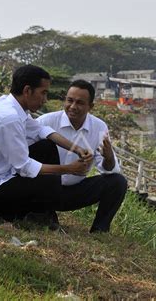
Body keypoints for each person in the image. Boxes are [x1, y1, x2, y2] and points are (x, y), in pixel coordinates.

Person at [0, 65, 93, 226]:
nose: (45, 99)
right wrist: (70, 169)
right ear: (27, 90)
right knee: (48, 181)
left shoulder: (9, 104)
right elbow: (24, 166)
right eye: (43, 93)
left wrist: (76, 148)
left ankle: (38, 212)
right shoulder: (9, 118)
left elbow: (41, 130)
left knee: (46, 147)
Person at [37, 79, 127, 233]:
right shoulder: (46, 121)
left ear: (90, 106)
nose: (73, 107)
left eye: (79, 103)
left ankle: (100, 229)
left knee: (118, 182)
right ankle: (43, 213)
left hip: (74, 191)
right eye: (69, 100)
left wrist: (109, 157)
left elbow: (109, 170)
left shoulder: (99, 127)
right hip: (43, 189)